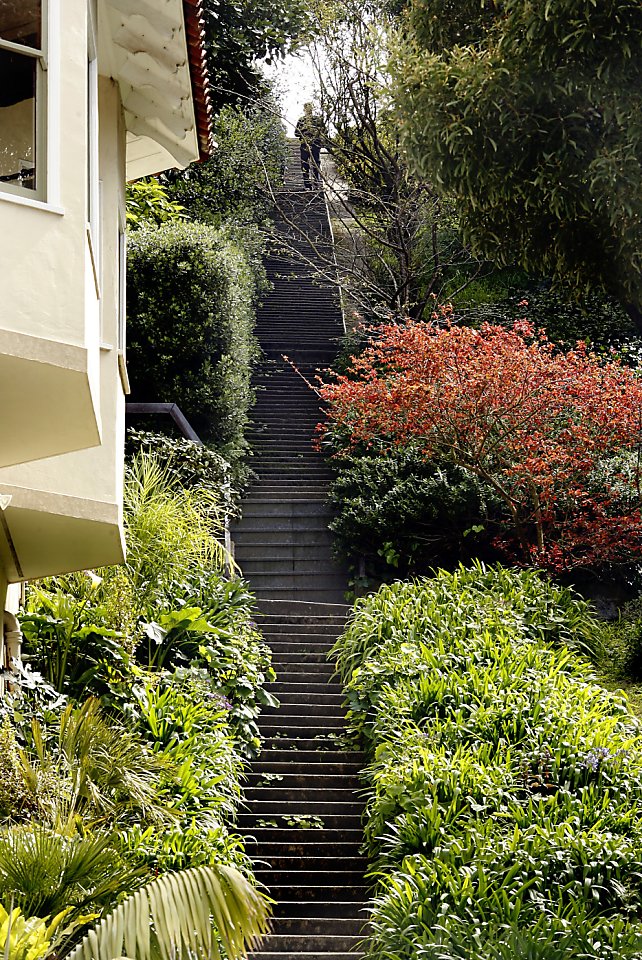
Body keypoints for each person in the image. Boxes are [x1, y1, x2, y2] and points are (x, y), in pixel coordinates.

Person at [295, 103, 325, 189]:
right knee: (306, 164)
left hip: (314, 144)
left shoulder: (316, 119)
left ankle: (315, 183)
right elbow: (296, 133)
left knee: (314, 163)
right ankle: (308, 184)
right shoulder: (302, 120)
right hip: (306, 144)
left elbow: (323, 130)